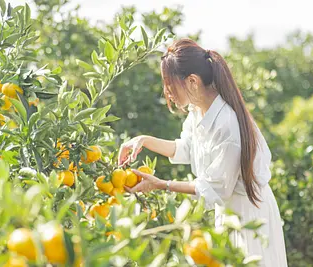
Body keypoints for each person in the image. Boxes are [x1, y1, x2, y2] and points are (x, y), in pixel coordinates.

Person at [118, 39, 288, 266]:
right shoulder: (197, 111)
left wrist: (161, 184)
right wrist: (143, 141)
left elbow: (215, 187)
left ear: (192, 81)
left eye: (170, 84)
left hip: (249, 213)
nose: (167, 91)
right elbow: (185, 148)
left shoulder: (227, 124)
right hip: (228, 212)